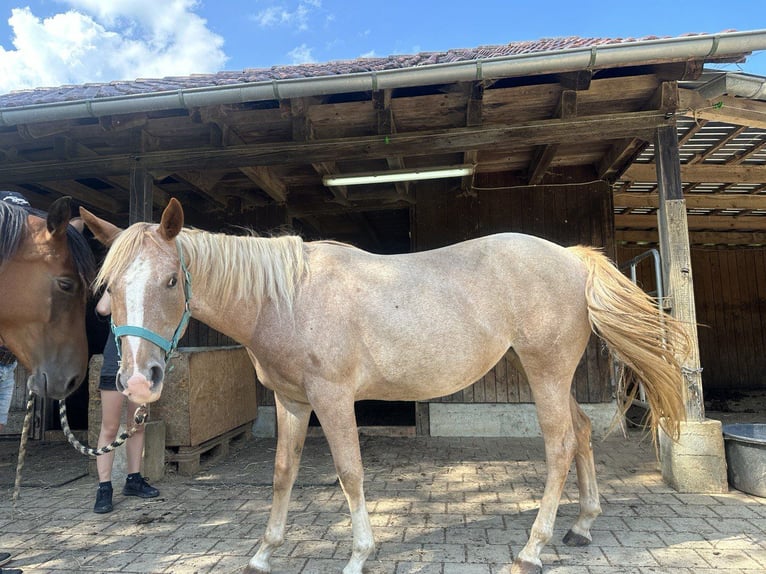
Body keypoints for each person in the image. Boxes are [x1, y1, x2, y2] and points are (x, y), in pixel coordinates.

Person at [93, 299, 160, 513]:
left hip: (141, 363)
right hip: (116, 361)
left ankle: (134, 479)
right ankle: (104, 487)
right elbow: (103, 309)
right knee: (110, 427)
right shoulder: (117, 281)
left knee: (137, 425)